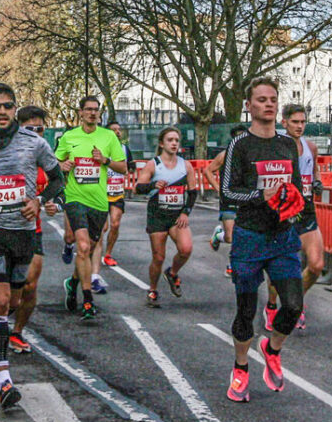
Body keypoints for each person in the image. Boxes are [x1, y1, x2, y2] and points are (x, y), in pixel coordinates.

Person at [0, 83, 65, 409]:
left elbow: (58, 178)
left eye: (7, 106)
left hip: (23, 233)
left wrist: (41, 199)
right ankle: (4, 379)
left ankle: (3, 338)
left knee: (15, 299)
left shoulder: (34, 143)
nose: (1, 112)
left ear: (14, 108)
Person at [221, 78, 303, 403]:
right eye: (261, 100)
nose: (268, 104)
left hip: (282, 236)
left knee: (294, 305)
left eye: (273, 99)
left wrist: (296, 205)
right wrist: (260, 195)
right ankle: (241, 367)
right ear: (249, 106)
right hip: (249, 237)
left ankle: (272, 347)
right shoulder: (240, 145)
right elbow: (227, 191)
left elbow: (295, 185)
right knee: (246, 310)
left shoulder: (287, 145)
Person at [55, 96, 127, 320]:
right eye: (88, 110)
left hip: (99, 202)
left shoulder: (108, 137)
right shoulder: (69, 137)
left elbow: (123, 167)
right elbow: (54, 163)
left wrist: (104, 160)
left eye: (96, 110)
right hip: (75, 198)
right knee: (83, 247)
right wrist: (63, 165)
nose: (92, 113)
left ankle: (73, 282)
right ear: (81, 113)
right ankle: (87, 300)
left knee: (90, 248)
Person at [263, 104, 325, 332]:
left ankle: (294, 304)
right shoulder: (275, 145)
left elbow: (314, 169)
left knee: (316, 265)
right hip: (282, 211)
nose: (299, 126)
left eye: (302, 122)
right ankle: (272, 306)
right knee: (280, 267)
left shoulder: (310, 147)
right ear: (284, 122)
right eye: (295, 122)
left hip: (306, 210)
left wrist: (317, 181)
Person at [9, 106, 60, 354]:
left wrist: (49, 203)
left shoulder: (45, 156)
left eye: (40, 128)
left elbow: (58, 185)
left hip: (32, 228)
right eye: (30, 128)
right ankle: (1, 317)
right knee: (9, 291)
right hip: (4, 227)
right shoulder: (8, 152)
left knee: (30, 284)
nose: (36, 133)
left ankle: (17, 332)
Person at [134, 127, 197, 307]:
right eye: (170, 140)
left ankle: (172, 273)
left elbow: (193, 193)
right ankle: (153, 289)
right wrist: (154, 184)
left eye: (177, 140)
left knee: (186, 249)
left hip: (177, 215)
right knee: (159, 257)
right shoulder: (153, 164)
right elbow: (137, 188)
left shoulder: (186, 165)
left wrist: (186, 212)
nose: (174, 143)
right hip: (157, 215)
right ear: (162, 143)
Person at [207, 124, 247, 277]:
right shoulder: (225, 155)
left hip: (245, 200)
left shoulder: (251, 155)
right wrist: (218, 189)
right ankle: (219, 235)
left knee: (243, 234)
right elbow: (208, 171)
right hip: (228, 200)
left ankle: (232, 264)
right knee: (231, 237)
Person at [100, 121, 135, 267]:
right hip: (101, 193)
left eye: (119, 130)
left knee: (115, 224)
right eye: (114, 130)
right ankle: (95, 252)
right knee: (103, 227)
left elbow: (131, 166)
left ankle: (107, 254)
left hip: (117, 193)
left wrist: (128, 170)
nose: (118, 132)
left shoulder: (124, 149)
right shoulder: (100, 148)